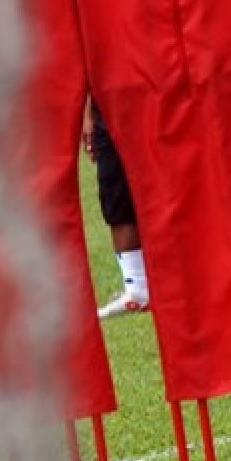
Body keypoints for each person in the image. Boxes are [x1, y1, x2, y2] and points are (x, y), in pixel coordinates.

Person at [82, 98, 149, 318]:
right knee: (113, 188)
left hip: (158, 89)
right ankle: (137, 288)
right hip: (107, 101)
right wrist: (89, 114)